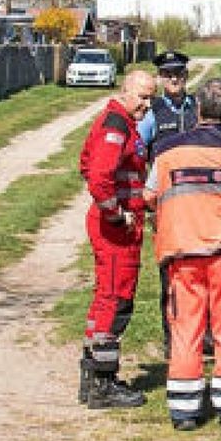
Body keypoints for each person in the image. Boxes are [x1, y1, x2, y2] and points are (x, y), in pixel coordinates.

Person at [143, 78, 221, 430]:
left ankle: (184, 410)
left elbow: (150, 196)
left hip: (182, 255)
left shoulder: (167, 152)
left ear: (198, 109)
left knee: (185, 330)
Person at [77, 70, 157, 409]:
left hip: (120, 224)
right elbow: (98, 176)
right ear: (124, 91)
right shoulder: (116, 125)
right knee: (115, 301)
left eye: (150, 98)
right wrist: (116, 213)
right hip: (116, 230)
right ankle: (103, 384)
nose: (145, 104)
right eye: (140, 96)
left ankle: (92, 372)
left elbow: (87, 164)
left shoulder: (121, 122)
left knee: (105, 300)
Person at [136, 49, 209, 359]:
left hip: (199, 203)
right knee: (170, 273)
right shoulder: (152, 112)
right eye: (168, 74)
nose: (174, 79)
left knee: (202, 268)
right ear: (160, 78)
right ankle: (172, 336)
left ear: (186, 76)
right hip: (166, 205)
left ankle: (203, 334)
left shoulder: (199, 108)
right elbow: (139, 150)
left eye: (179, 73)